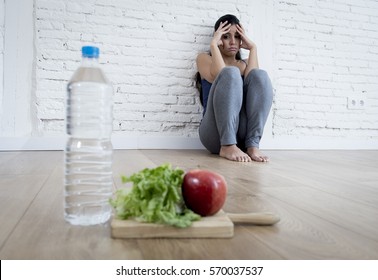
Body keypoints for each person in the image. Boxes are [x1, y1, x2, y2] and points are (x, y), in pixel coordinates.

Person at [195, 14, 273, 162]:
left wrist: (253, 48)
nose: (232, 41)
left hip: (242, 135)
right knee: (230, 72)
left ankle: (252, 145)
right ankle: (228, 145)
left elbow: (257, 86)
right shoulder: (204, 59)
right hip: (214, 134)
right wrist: (213, 45)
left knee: (260, 75)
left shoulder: (243, 64)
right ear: (218, 39)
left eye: (237, 36)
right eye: (225, 37)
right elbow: (220, 74)